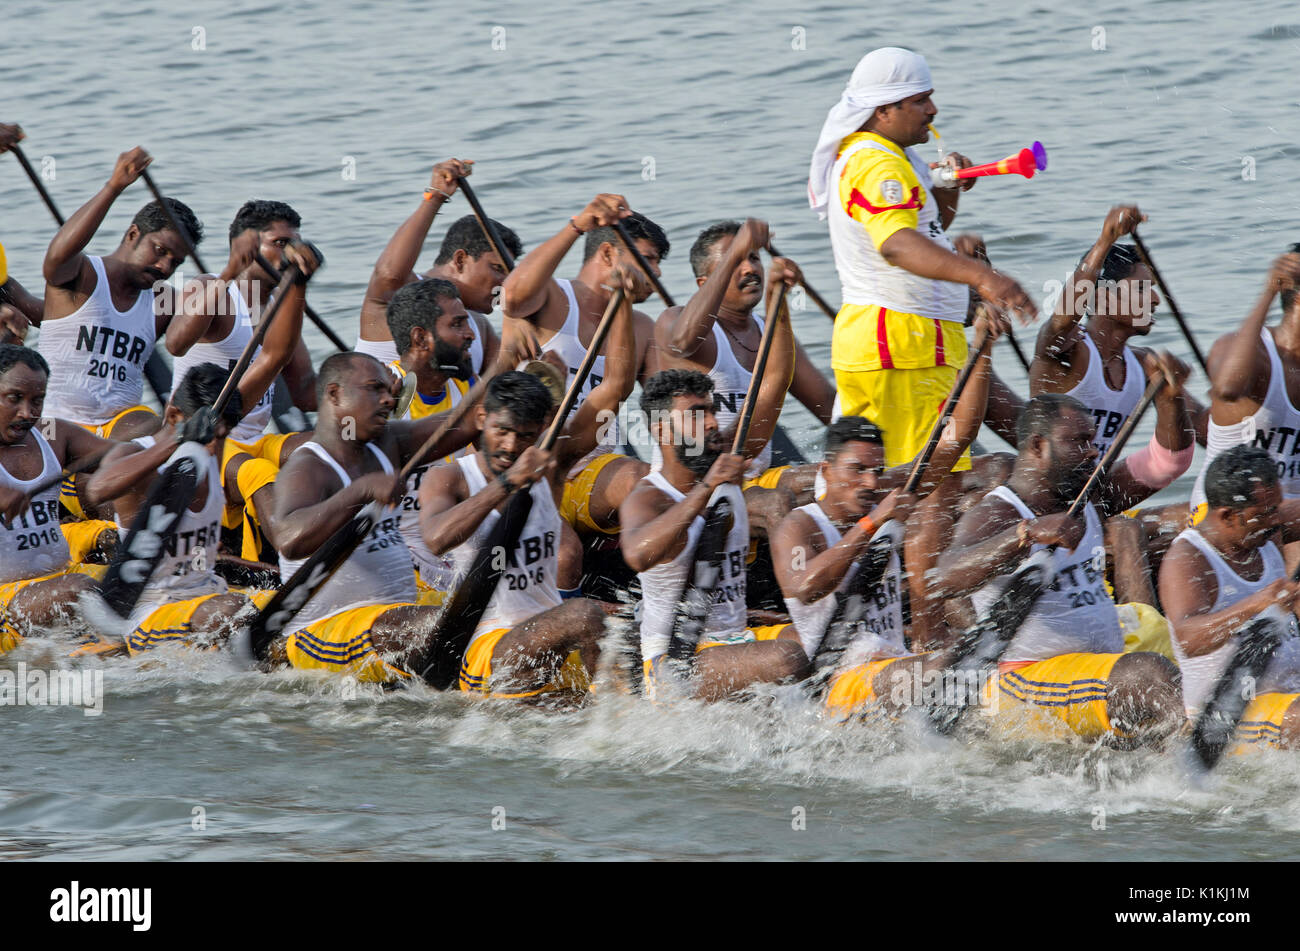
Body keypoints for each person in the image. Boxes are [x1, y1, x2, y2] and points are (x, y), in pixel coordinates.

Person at [807, 46, 1034, 475]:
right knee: (928, 481)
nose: (933, 109)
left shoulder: (892, 157)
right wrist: (984, 277)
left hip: (906, 342)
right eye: (920, 101)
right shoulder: (877, 166)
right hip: (900, 343)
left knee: (910, 475)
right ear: (884, 109)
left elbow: (925, 235)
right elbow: (896, 244)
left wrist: (945, 193)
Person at [932, 377, 1194, 744]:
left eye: (1093, 441)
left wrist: (1170, 401)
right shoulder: (999, 512)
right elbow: (945, 576)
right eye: (1078, 442)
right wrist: (1026, 534)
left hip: (1089, 674)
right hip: (1023, 681)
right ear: (1038, 446)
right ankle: (1197, 767)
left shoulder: (1088, 498)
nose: (1092, 452)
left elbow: (1167, 461)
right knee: (1148, 674)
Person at [770, 310, 1002, 716]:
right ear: (825, 471)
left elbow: (954, 439)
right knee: (953, 667)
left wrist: (982, 352)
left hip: (891, 666)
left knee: (973, 658)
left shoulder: (881, 492)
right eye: (855, 470)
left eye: (876, 471)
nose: (869, 482)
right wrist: (873, 523)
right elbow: (805, 585)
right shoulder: (800, 525)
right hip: (837, 679)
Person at [419, 276, 640, 700]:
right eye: (501, 431)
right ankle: (616, 721)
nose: (510, 446)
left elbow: (616, 388)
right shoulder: (450, 478)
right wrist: (505, 484)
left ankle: (607, 710)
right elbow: (435, 538)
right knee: (585, 613)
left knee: (636, 636)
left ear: (540, 429)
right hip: (486, 647)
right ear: (481, 419)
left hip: (548, 637)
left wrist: (623, 302)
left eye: (523, 436)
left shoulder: (549, 467)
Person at [620, 279, 808, 702]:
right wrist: (707, 489)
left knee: (826, 634)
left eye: (710, 412)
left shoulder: (723, 457)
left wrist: (779, 303)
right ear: (661, 429)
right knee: (787, 660)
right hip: (675, 660)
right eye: (696, 415)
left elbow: (774, 380)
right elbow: (637, 553)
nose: (710, 424)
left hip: (732, 639)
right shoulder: (649, 496)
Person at [82, 363, 283, 654]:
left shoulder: (217, 443)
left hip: (207, 594)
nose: (214, 447)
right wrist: (180, 439)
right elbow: (98, 489)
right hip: (148, 608)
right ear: (174, 415)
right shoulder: (136, 455)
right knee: (236, 610)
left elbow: (274, 356)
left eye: (223, 435)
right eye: (210, 437)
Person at [500, 194, 668, 541]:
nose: (658, 273)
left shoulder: (642, 327)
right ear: (607, 254)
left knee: (659, 487)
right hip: (526, 464)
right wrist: (577, 225)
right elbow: (511, 298)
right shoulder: (549, 296)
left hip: (593, 470)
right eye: (648, 259)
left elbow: (665, 410)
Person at [655, 218, 834, 500]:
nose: (749, 267)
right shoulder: (673, 321)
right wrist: (738, 248)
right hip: (695, 486)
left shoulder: (773, 333)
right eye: (735, 260)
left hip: (754, 478)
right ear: (705, 283)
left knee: (841, 482)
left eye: (753, 257)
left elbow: (830, 408)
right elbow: (683, 341)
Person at [1160, 445, 1300, 749]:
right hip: (1230, 712)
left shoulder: (1262, 530)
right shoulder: (1188, 558)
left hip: (1289, 694)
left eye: (1277, 507)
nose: (1277, 520)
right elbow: (1189, 639)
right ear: (1227, 516)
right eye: (1265, 514)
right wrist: (1256, 604)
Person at [167, 200, 318, 460]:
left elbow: (304, 392)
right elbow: (176, 343)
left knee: (339, 443)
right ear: (246, 247)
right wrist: (230, 271)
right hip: (207, 442)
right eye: (280, 243)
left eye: (295, 245)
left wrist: (367, 387)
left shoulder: (280, 309)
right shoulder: (210, 288)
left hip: (255, 443)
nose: (292, 255)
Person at [357, 158, 520, 376]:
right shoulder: (403, 297)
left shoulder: (479, 328)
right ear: (460, 260)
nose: (505, 284)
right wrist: (434, 198)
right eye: (497, 269)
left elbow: (506, 390)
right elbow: (389, 274)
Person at [0, 346, 115, 653]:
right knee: (82, 590)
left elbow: (121, 459)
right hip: (6, 601)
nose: (27, 413)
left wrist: (172, 439)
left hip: (58, 578)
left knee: (143, 576)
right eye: (14, 398)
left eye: (37, 400)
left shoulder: (54, 435)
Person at [1191, 249, 1300, 519]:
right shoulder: (1254, 354)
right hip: (1230, 516)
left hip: (1287, 516)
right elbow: (1228, 388)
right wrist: (1268, 294)